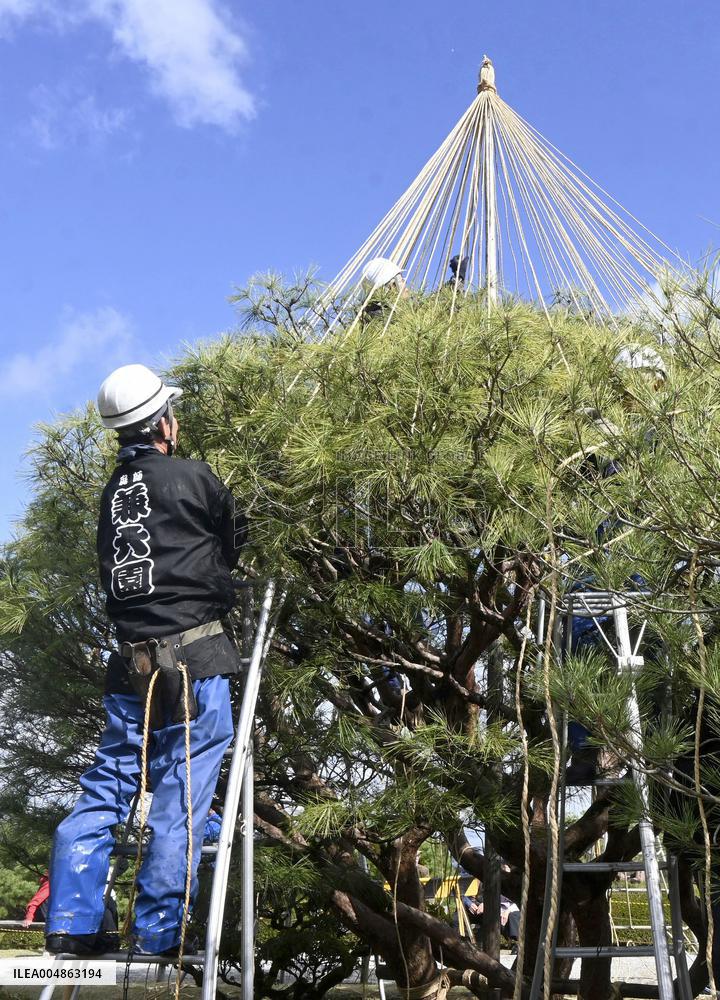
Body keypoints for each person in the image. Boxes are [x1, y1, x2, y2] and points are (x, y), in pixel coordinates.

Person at [45, 363, 248, 957]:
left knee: (108, 783)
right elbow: (232, 542)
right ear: (164, 422)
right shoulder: (194, 476)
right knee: (182, 794)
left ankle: (72, 924)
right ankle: (159, 935)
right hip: (196, 661)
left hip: (130, 667)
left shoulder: (112, 497)